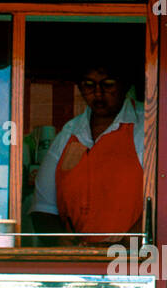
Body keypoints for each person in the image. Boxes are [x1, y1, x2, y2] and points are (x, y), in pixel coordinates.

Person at [30, 60, 145, 243]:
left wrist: (124, 246)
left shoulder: (145, 126)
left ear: (125, 85)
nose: (98, 93)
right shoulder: (70, 133)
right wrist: (64, 245)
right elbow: (43, 209)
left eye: (108, 85)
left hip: (131, 260)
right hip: (79, 262)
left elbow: (164, 205)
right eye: (89, 85)